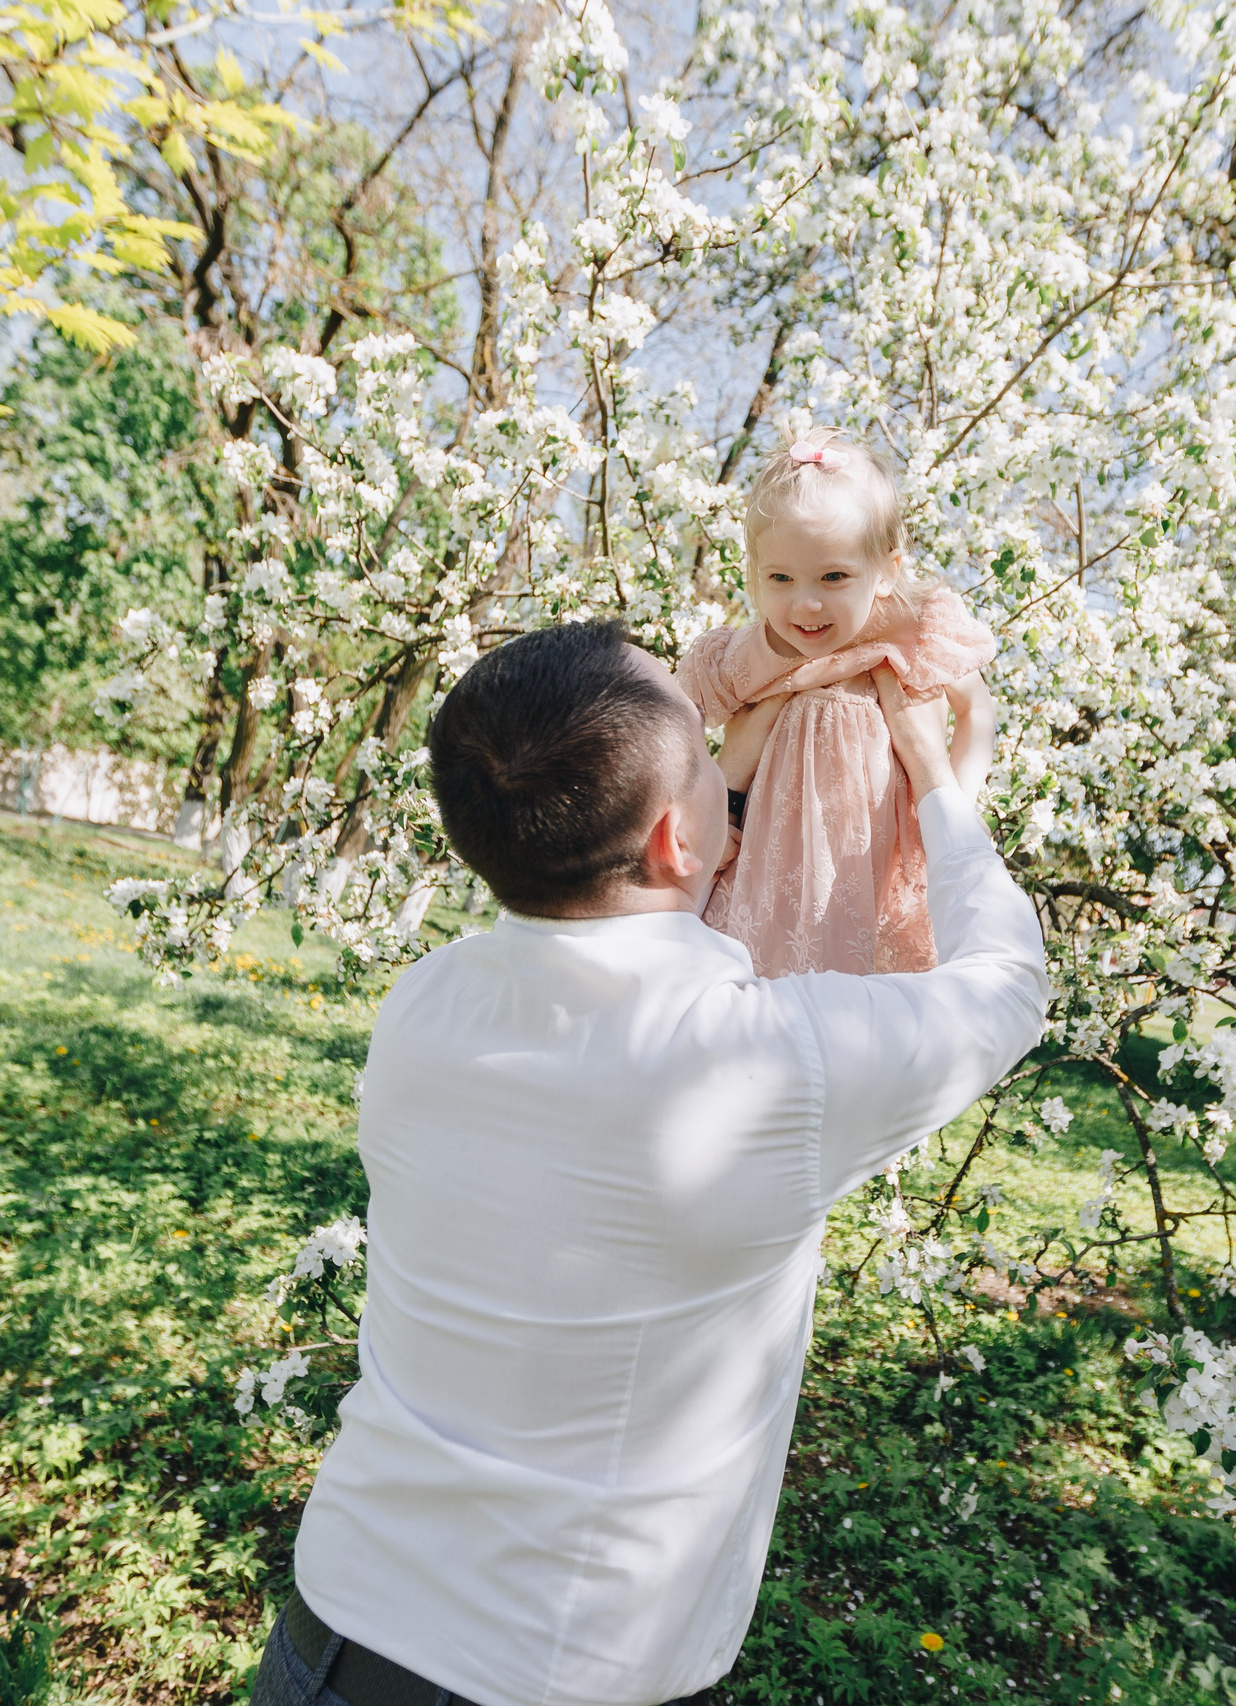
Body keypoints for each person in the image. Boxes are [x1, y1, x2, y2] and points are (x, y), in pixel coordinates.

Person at [250, 616, 1048, 1706]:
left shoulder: (423, 1002)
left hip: (331, 1641)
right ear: (678, 837)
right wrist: (945, 788)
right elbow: (1005, 983)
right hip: (564, 1674)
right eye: (713, 753)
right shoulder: (771, 1062)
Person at [681, 431, 998, 977]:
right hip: (768, 875)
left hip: (874, 869)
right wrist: (719, 803)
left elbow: (977, 711)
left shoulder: (912, 633)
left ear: (887, 570)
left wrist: (956, 805)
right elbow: (675, 729)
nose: (806, 602)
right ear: (755, 573)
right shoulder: (746, 658)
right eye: (780, 578)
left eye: (834, 577)